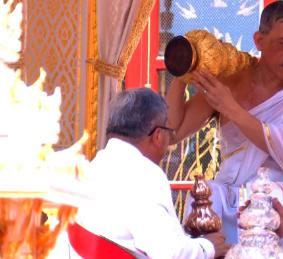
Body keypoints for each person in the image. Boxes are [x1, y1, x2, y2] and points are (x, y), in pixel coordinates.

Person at [166, 1, 283, 243]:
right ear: (259, 40)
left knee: (270, 200)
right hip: (223, 204)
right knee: (205, 197)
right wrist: (183, 73)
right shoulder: (231, 79)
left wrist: (230, 108)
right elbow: (172, 132)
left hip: (276, 207)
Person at [75, 88, 229, 258]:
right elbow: (170, 253)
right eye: (168, 133)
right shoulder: (144, 176)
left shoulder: (93, 167)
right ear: (158, 136)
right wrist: (209, 246)